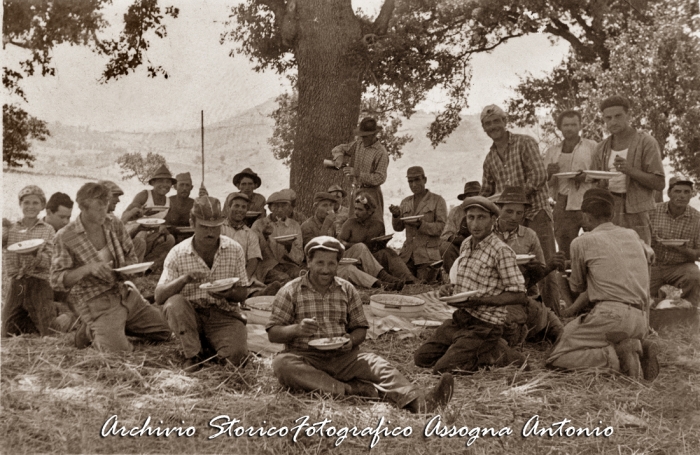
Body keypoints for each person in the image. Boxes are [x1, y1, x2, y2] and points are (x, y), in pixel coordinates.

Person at [267, 236, 455, 413]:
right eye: (320, 263)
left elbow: (360, 329)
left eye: (331, 263)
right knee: (282, 364)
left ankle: (421, 403)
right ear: (309, 262)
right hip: (306, 357)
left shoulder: (347, 289)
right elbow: (273, 333)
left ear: (338, 264)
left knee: (377, 364)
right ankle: (349, 390)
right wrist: (297, 329)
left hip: (343, 356)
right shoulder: (291, 290)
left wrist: (351, 340)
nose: (326, 269)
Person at [546, 188, 659, 380]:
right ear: (612, 214)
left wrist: (565, 269)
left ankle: (615, 356)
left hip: (610, 315)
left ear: (585, 217)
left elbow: (578, 287)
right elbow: (650, 256)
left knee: (557, 358)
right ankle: (639, 345)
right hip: (641, 319)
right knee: (569, 331)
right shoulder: (632, 235)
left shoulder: (582, 241)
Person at [50, 183, 171, 351]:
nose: (104, 213)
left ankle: (113, 327)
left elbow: (131, 254)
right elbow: (56, 280)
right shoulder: (65, 236)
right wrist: (87, 268)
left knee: (165, 332)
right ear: (83, 208)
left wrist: (129, 270)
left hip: (125, 293)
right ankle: (94, 331)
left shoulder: (112, 222)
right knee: (117, 353)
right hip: (97, 301)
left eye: (105, 207)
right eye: (98, 209)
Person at [414, 197, 528, 373]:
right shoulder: (466, 244)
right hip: (462, 319)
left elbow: (520, 295)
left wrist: (482, 301)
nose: (475, 224)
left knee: (442, 370)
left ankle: (498, 353)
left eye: (481, 217)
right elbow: (463, 283)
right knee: (421, 359)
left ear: (493, 220)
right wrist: (450, 289)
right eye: (471, 217)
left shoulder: (501, 251)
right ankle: (482, 349)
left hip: (485, 326)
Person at [479, 104, 560, 314]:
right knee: (515, 264)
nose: (493, 126)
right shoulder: (489, 159)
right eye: (488, 124)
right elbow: (488, 190)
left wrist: (515, 199)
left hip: (536, 211)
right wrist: (479, 203)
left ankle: (553, 313)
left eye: (497, 121)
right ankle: (528, 311)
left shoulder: (524, 143)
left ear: (505, 122)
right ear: (484, 129)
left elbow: (539, 175)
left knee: (545, 264)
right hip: (512, 220)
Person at [156, 197, 250, 370]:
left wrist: (228, 293)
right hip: (190, 316)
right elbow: (159, 296)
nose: (210, 233)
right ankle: (193, 355)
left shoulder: (234, 249)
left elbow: (243, 292)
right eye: (204, 227)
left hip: (224, 314)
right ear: (192, 223)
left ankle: (209, 346)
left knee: (237, 359)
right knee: (174, 303)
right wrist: (184, 279)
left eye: (215, 227)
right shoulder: (178, 253)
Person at [492, 187, 565, 345]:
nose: (514, 217)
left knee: (559, 331)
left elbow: (536, 278)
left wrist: (538, 267)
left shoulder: (529, 236)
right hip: (493, 298)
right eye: (509, 211)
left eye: (519, 213)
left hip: (523, 296)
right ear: (498, 209)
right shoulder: (487, 234)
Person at [590, 95, 665, 244]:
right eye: (608, 118)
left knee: (640, 256)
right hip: (609, 211)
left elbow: (659, 183)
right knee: (611, 257)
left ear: (629, 115)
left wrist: (630, 170)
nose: (613, 121)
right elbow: (594, 182)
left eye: (618, 116)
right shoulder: (601, 148)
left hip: (637, 211)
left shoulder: (646, 142)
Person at [3, 186, 73, 337]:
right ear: (20, 204)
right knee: (7, 331)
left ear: (42, 206)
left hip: (39, 283)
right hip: (17, 283)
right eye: (26, 202)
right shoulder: (12, 228)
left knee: (50, 332)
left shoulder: (47, 230)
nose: (30, 207)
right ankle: (37, 323)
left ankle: (69, 318)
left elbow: (49, 261)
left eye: (35, 203)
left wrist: (35, 255)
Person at [304, 192, 404, 290]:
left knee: (360, 246)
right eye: (324, 205)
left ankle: (386, 277)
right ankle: (381, 284)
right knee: (348, 269)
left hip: (333, 259)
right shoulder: (307, 226)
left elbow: (336, 244)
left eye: (330, 205)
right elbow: (316, 252)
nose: (328, 209)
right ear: (315, 206)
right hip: (320, 266)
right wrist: (327, 224)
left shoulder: (331, 224)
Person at [543, 110, 598, 258]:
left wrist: (586, 177)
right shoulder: (552, 152)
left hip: (588, 201)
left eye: (573, 124)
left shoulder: (592, 147)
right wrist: (549, 173)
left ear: (580, 126)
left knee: (595, 245)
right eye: (566, 125)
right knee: (565, 249)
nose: (569, 128)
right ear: (560, 127)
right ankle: (568, 280)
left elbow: (602, 174)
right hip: (562, 203)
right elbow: (545, 184)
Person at [339, 191, 417, 283]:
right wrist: (358, 246)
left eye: (360, 210)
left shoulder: (378, 225)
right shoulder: (350, 224)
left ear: (370, 212)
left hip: (372, 262)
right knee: (361, 246)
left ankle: (409, 278)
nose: (356, 212)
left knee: (388, 252)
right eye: (355, 209)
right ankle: (385, 278)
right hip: (354, 262)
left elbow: (380, 249)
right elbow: (340, 243)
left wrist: (381, 243)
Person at [390, 166, 447, 284]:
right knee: (396, 277)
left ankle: (434, 275)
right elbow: (398, 228)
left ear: (424, 180)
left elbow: (441, 228)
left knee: (423, 282)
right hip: (407, 255)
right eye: (410, 181)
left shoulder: (437, 200)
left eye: (417, 180)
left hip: (427, 256)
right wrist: (396, 215)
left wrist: (421, 224)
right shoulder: (405, 202)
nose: (414, 184)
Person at [649, 176, 700, 307]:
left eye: (686, 192)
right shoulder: (653, 211)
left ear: (691, 195)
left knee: (694, 275)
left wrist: (680, 248)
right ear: (669, 193)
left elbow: (697, 254)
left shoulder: (697, 218)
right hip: (654, 264)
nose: (682, 196)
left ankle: (688, 309)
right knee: (640, 292)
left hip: (681, 266)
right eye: (678, 191)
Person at [332, 117, 389, 224]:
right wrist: (339, 156)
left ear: (374, 135)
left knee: (372, 226)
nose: (363, 139)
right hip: (357, 192)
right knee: (353, 224)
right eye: (361, 136)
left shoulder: (381, 152)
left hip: (372, 193)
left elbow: (380, 177)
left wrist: (358, 174)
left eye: (365, 136)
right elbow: (339, 148)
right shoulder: (358, 144)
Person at [121, 164, 177, 270]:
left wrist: (164, 228)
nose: (165, 184)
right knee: (141, 238)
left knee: (169, 239)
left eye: (168, 182)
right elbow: (124, 218)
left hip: (152, 235)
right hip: (134, 233)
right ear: (153, 183)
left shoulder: (169, 202)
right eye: (161, 181)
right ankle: (133, 269)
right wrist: (135, 212)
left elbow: (166, 223)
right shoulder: (144, 195)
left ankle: (148, 266)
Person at [252, 191, 304, 285]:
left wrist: (289, 247)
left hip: (288, 264)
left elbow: (300, 257)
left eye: (284, 206)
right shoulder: (259, 224)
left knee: (303, 276)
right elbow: (253, 251)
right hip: (267, 266)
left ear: (289, 208)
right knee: (284, 280)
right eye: (276, 206)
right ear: (270, 208)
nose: (280, 210)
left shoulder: (294, 225)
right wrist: (264, 236)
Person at [440, 181, 481, 275]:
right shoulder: (456, 212)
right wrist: (460, 240)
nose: (473, 199)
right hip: (461, 249)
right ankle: (454, 279)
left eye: (476, 195)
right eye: (470, 196)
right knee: (445, 247)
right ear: (464, 199)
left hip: (483, 247)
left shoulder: (488, 210)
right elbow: (446, 235)